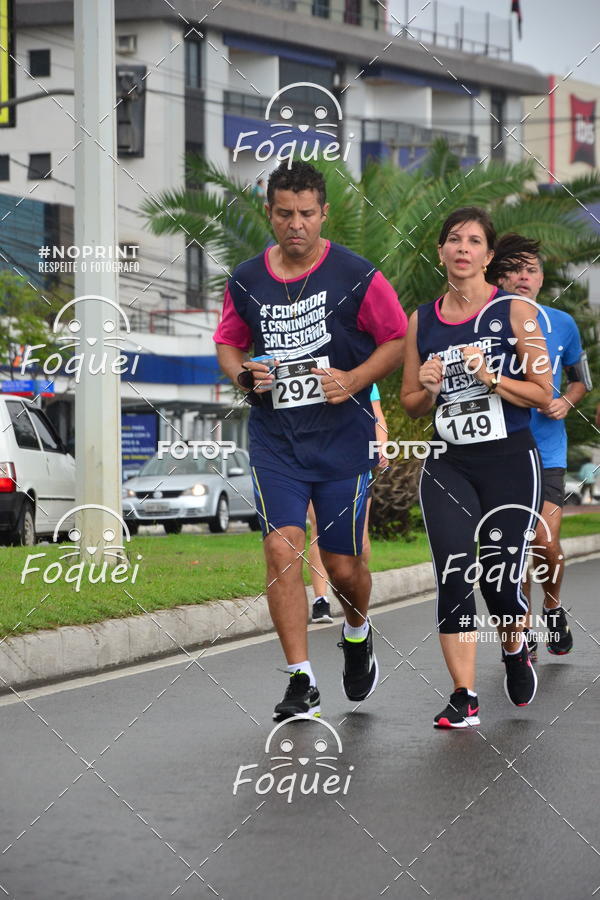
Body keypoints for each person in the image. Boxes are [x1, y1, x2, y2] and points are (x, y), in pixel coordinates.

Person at [213, 161, 407, 721]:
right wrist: (245, 375)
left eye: (305, 214)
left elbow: (395, 339)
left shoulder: (356, 274)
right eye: (283, 213)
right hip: (277, 441)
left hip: (343, 440)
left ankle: (356, 629)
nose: (294, 224)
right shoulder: (247, 278)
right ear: (269, 214)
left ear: (323, 213)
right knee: (281, 547)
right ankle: (300, 679)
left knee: (344, 568)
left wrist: (352, 379)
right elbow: (229, 343)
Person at [401, 206, 553, 729]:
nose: (462, 248)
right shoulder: (421, 319)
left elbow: (542, 392)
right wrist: (425, 384)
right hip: (449, 463)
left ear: (489, 256)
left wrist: (492, 380)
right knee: (453, 573)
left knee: (501, 582)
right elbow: (411, 404)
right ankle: (463, 695)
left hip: (511, 461)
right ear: (441, 251)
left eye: (473, 241)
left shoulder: (516, 313)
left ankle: (514, 649)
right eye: (453, 240)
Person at [489, 233, 592, 658]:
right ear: (497, 276)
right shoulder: (483, 323)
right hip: (497, 450)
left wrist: (566, 402)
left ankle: (552, 607)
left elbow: (581, 379)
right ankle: (523, 630)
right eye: (512, 269)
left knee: (544, 542)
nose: (522, 277)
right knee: (512, 546)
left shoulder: (561, 323)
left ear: (542, 277)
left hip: (545, 450)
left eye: (530, 269)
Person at [309, 383, 389, 623]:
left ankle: (355, 598)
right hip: (315, 465)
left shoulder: (362, 376)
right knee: (319, 530)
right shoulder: (306, 369)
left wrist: (382, 446)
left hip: (355, 467)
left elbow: (377, 417)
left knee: (361, 543)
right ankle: (320, 600)